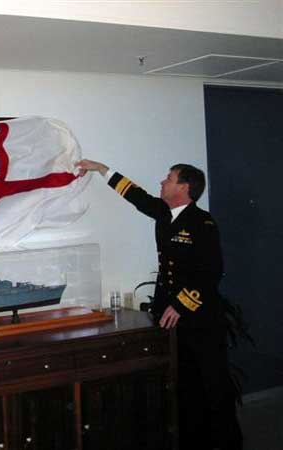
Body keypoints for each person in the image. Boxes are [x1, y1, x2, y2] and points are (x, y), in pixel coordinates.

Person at [75, 160, 242, 450]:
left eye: (169, 178)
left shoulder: (202, 223)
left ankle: (228, 443)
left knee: (213, 385)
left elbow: (211, 272)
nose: (162, 181)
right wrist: (101, 169)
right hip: (170, 314)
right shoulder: (165, 214)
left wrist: (180, 304)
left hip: (200, 317)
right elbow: (135, 194)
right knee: (185, 384)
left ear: (184, 187)